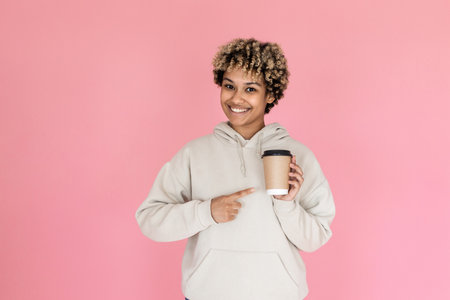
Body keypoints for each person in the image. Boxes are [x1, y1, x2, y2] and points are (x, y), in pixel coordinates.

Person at [135, 37, 336, 300]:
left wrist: (287, 205)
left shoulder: (299, 157)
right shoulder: (194, 154)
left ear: (271, 94)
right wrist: (207, 211)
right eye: (229, 86)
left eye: (250, 89)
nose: (236, 98)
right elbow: (150, 221)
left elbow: (316, 239)